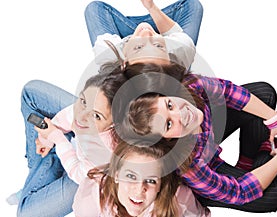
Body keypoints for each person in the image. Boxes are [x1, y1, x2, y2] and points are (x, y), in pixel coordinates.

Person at [118, 70, 277, 213]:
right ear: (167, 139)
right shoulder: (187, 165)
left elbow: (228, 91)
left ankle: (246, 164)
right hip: (207, 172)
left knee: (264, 93)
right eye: (169, 124)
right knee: (274, 194)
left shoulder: (189, 86)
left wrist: (274, 119)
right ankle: (266, 154)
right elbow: (239, 191)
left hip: (208, 136)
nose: (181, 114)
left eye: (169, 105)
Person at [13, 70, 128, 217]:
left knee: (25, 214)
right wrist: (46, 139)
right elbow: (69, 115)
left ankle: (38, 180)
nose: (82, 116)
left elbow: (78, 173)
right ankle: (37, 176)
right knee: (31, 92)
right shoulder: (90, 105)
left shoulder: (104, 150)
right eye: (83, 101)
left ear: (113, 125)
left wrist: (58, 139)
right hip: (77, 151)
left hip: (89, 178)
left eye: (96, 116)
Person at [73, 139, 211, 217]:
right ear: (116, 175)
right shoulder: (90, 201)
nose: (139, 190)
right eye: (131, 176)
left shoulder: (179, 199)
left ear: (160, 184)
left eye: (151, 180)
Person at [84, 0, 203, 70]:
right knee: (193, 4)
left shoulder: (108, 54)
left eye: (139, 47)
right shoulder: (181, 51)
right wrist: (151, 8)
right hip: (170, 49)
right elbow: (179, 36)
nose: (147, 33)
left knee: (95, 8)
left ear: (124, 59)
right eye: (158, 46)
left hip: (125, 49)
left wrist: (130, 43)